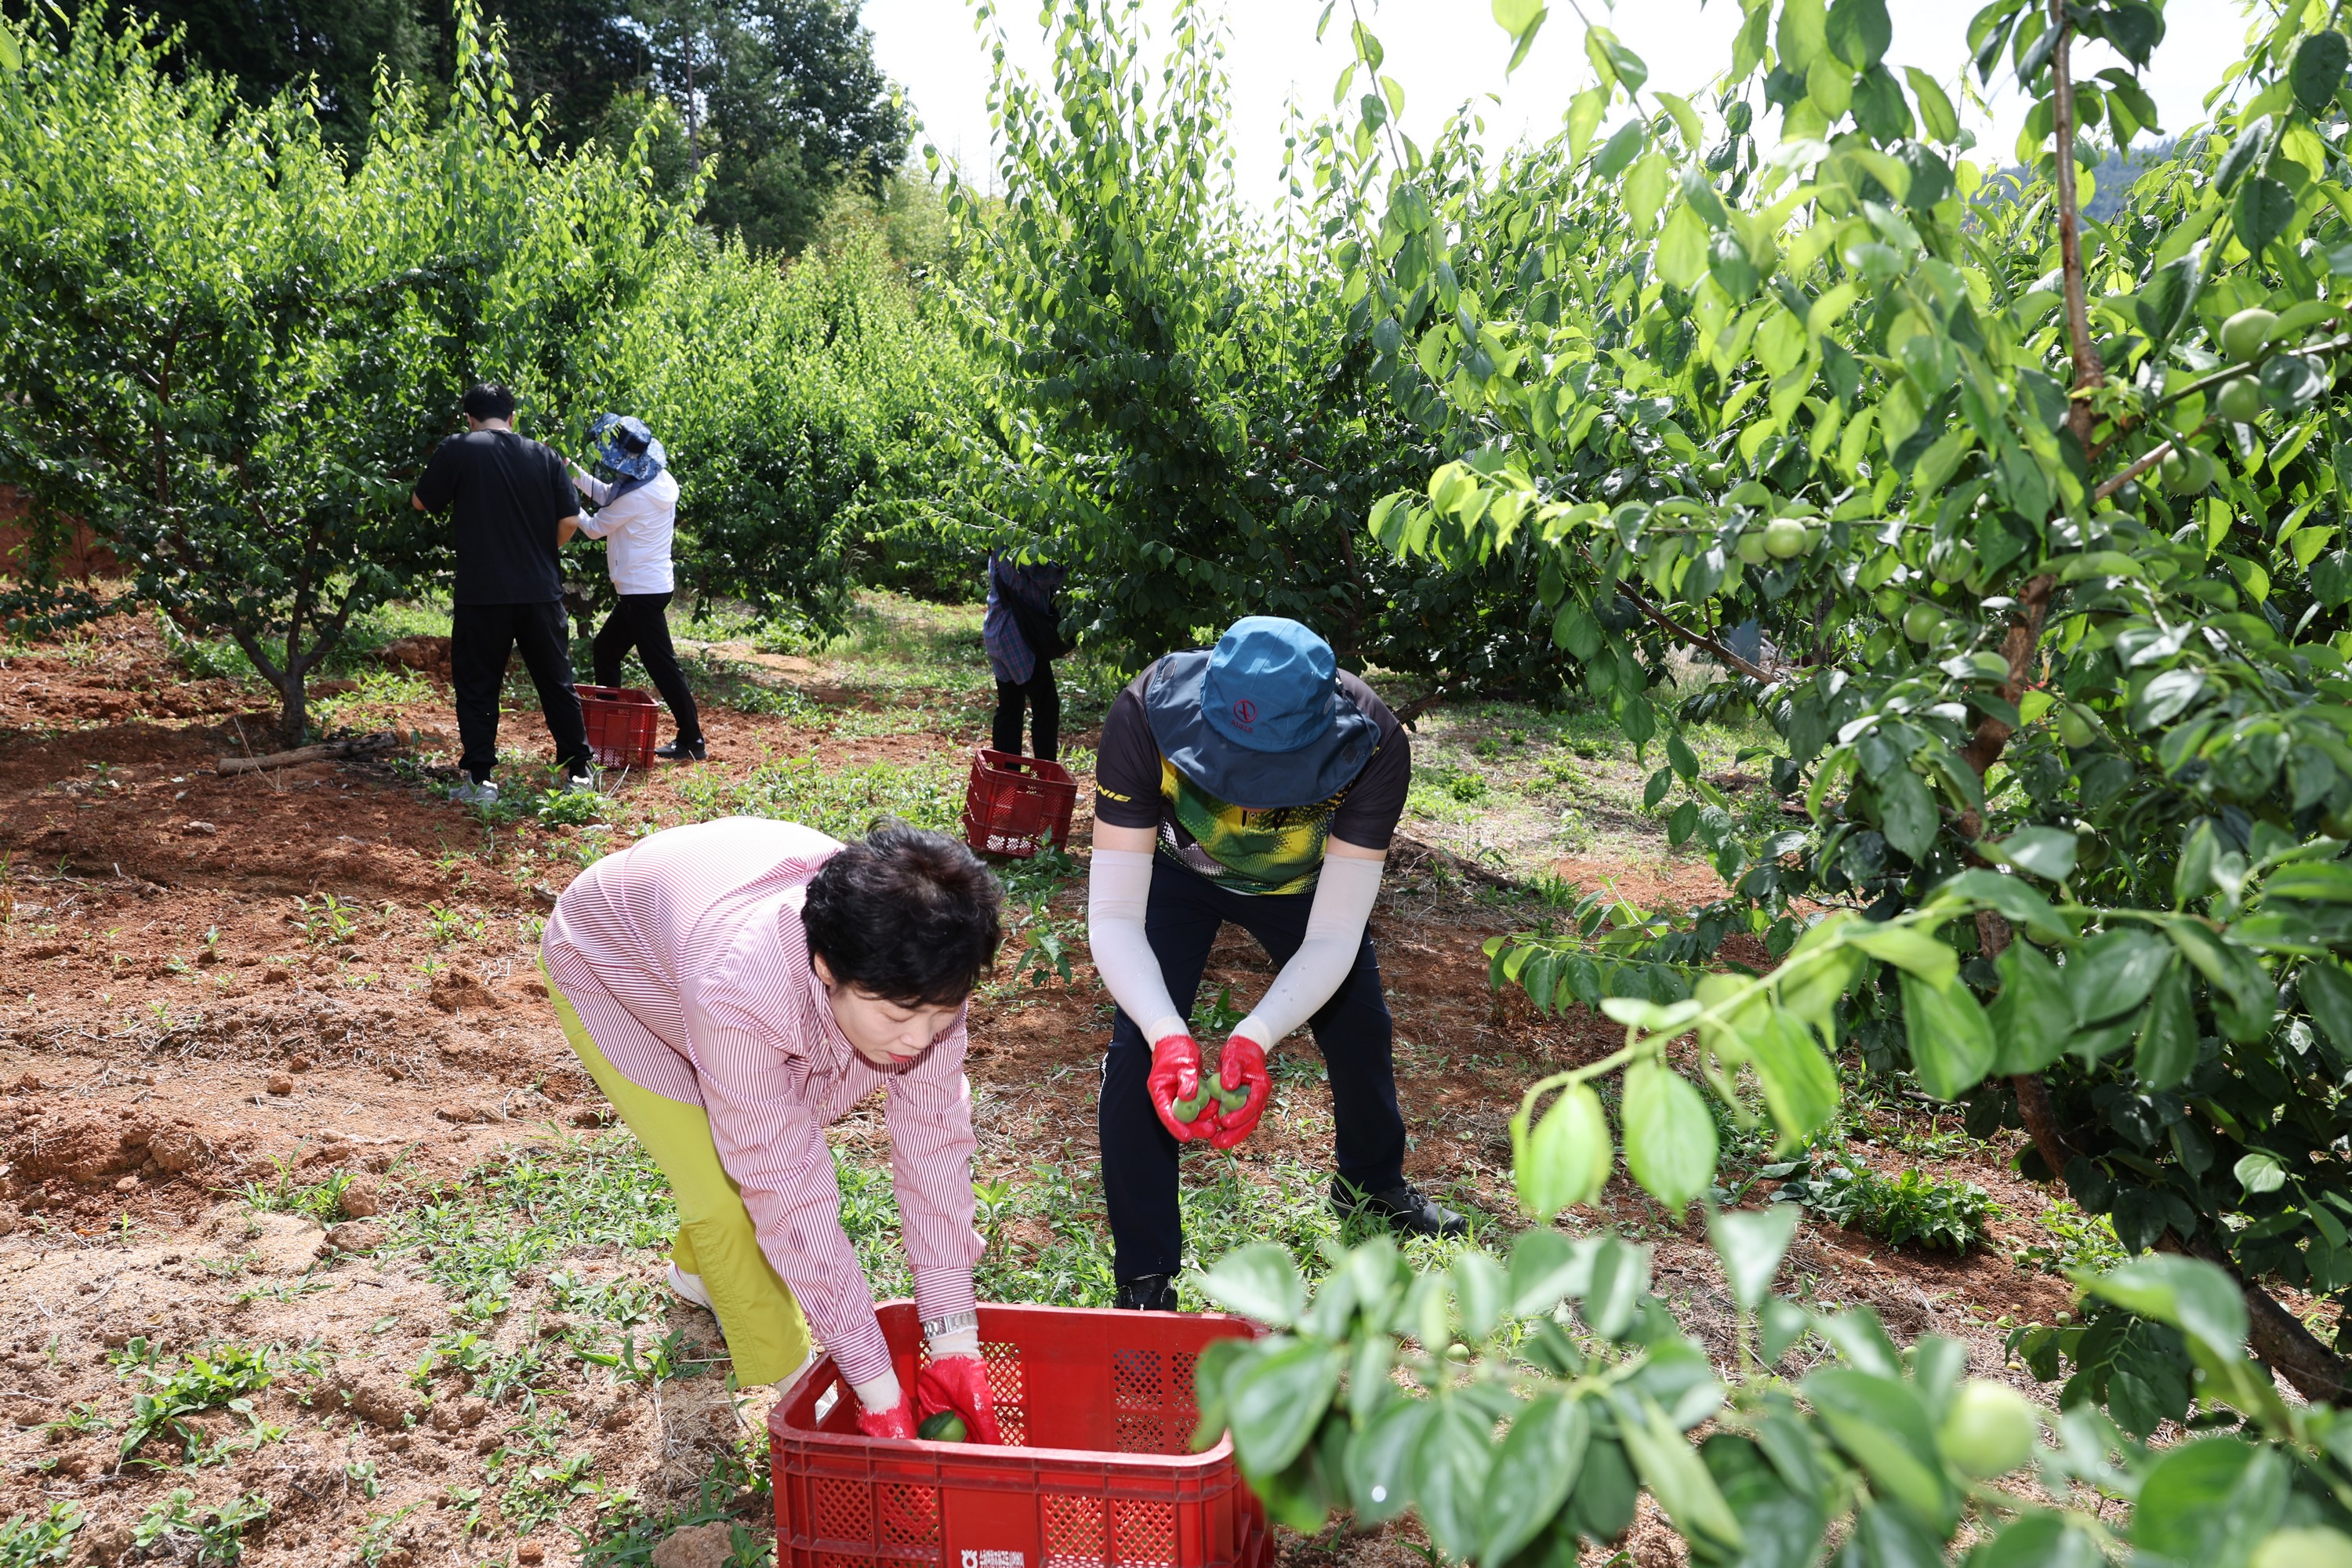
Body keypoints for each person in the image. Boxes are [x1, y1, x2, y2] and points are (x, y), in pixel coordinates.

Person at [540, 817, 1005, 1440]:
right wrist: (872, 1384)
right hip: (614, 967)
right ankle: (802, 1391)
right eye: (898, 1016)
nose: (920, 1039)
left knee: (749, 1138)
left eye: (942, 1014)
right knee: (729, 1199)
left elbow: (934, 1149)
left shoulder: (925, 967)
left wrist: (954, 1340)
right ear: (825, 966)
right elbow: (787, 1190)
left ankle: (698, 1273)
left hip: (701, 924)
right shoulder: (740, 989)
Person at [1086, 615, 1464, 1312]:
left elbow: (1336, 933)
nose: (1251, 798)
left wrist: (1254, 1036)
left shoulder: (1375, 743)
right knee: (1138, 1053)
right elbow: (1112, 917)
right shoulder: (1144, 714)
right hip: (1175, 873)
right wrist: (1171, 1032)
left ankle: (1372, 1187)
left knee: (1360, 1029)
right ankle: (1145, 1276)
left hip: (1302, 889)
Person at [410, 383, 593, 806]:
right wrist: (540, 553)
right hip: (540, 591)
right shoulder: (544, 455)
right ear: (513, 417)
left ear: (470, 419)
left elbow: (422, 502)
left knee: (478, 685)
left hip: (482, 592)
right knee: (556, 681)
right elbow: (569, 519)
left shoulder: (459, 447)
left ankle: (480, 780)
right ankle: (579, 772)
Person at [561, 415, 705, 762]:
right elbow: (609, 493)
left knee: (662, 666)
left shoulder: (636, 497)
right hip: (644, 587)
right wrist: (570, 469)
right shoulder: (657, 477)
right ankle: (610, 727)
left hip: (641, 592)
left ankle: (693, 740)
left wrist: (564, 500)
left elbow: (595, 527)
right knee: (606, 650)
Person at [983, 549, 1069, 760]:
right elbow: (1043, 574)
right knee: (1046, 705)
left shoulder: (997, 537)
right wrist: (1069, 560)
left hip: (999, 630)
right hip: (1017, 635)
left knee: (1010, 708)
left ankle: (1008, 782)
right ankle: (1045, 782)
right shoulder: (1014, 538)